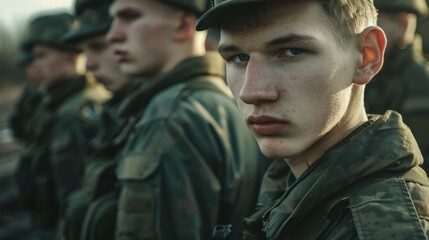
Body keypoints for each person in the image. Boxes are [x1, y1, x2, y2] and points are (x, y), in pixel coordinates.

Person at [196, 0, 429, 239]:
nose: (251, 91)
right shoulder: (288, 183)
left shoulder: (380, 228)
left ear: (366, 55)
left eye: (291, 51)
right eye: (237, 57)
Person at [106, 0, 269, 239]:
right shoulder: (214, 98)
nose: (113, 35)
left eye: (130, 17)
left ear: (183, 24)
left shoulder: (172, 116)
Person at [13, 11, 108, 239]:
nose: (34, 65)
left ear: (73, 55)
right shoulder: (57, 102)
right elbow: (22, 130)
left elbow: (78, 198)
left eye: (42, 56)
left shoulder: (78, 111)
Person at [58, 0, 136, 239]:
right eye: (85, 51)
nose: (89, 64)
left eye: (99, 46)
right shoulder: (119, 114)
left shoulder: (169, 117)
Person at [365, 0, 429, 172]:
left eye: (376, 22)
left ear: (403, 24)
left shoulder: (419, 80)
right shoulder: (375, 71)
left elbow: (420, 158)